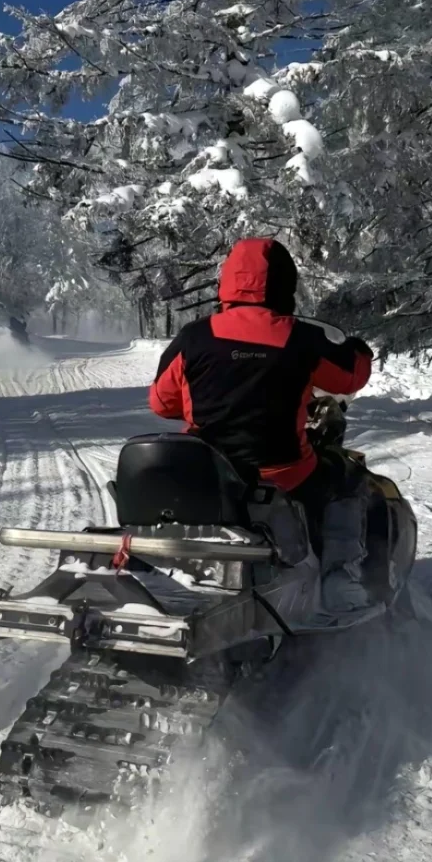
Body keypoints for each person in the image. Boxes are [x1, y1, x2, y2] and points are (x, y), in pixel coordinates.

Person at [148, 237, 374, 610]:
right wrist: (359, 349)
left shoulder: (195, 337)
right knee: (345, 477)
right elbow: (349, 378)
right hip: (282, 474)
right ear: (286, 285)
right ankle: (340, 577)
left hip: (209, 475)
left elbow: (160, 401)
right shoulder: (301, 337)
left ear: (228, 281)